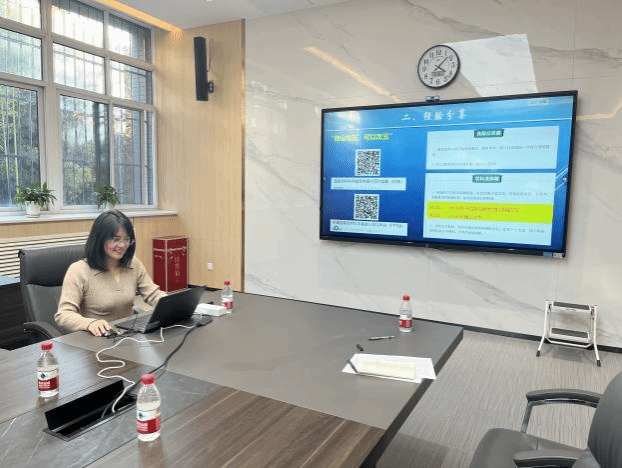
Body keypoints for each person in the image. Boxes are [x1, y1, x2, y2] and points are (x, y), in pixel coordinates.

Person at [55, 209, 166, 336]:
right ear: (99, 240)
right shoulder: (79, 270)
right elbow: (64, 315)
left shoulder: (133, 264)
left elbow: (153, 295)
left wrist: (173, 304)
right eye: (116, 239)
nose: (122, 245)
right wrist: (90, 323)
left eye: (126, 239)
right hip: (97, 338)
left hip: (128, 335)